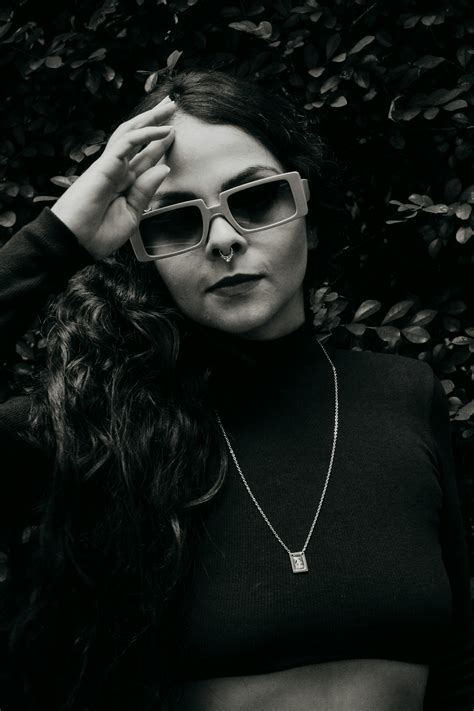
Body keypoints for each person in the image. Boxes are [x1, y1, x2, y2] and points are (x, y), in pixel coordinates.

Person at [0, 69, 472, 711]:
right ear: (145, 254)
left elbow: (458, 664)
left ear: (307, 217)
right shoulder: (96, 429)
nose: (224, 239)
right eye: (174, 221)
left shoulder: (404, 394)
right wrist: (61, 236)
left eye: (256, 201)